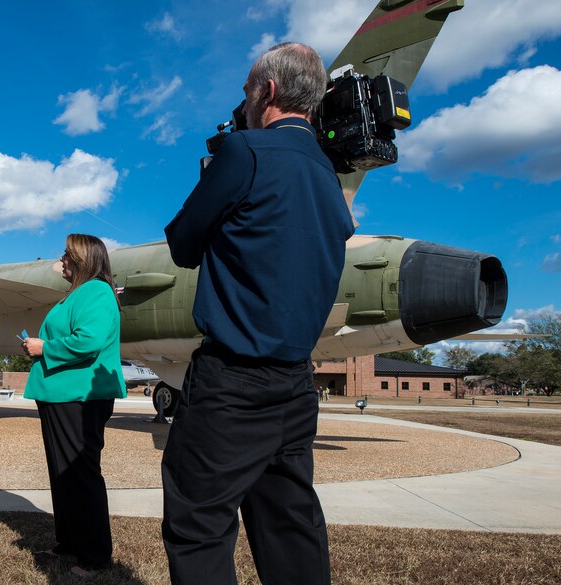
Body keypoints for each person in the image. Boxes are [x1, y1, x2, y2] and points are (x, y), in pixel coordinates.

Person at [162, 43, 355, 585]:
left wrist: (217, 167)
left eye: (248, 91)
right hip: (295, 386)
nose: (244, 103)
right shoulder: (326, 175)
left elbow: (181, 243)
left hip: (232, 384)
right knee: (289, 527)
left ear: (266, 91)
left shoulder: (244, 152)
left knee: (198, 526)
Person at [21, 233, 126, 577]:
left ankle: (95, 556)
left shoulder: (96, 290)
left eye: (67, 255)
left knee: (80, 474)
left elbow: (89, 340)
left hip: (79, 397)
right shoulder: (78, 293)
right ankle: (69, 543)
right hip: (60, 395)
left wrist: (42, 348)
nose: (61, 260)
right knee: (62, 474)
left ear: (82, 260)